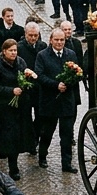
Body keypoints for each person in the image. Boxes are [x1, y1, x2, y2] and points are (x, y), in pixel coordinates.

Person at [33, 28, 80, 173]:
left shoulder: (70, 54)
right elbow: (39, 75)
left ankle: (66, 164)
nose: (59, 42)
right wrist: (55, 85)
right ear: (51, 40)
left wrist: (69, 83)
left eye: (62, 40)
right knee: (47, 132)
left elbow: (78, 73)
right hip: (50, 101)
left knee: (66, 134)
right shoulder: (42, 55)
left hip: (66, 101)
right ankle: (42, 156)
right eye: (57, 40)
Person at [0, 40, 37, 179]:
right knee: (10, 138)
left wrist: (27, 83)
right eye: (10, 50)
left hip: (21, 106)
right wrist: (11, 91)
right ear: (4, 51)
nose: (13, 53)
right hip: (6, 107)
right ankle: (13, 167)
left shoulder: (21, 62)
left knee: (20, 135)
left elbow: (25, 78)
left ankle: (23, 151)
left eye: (15, 50)